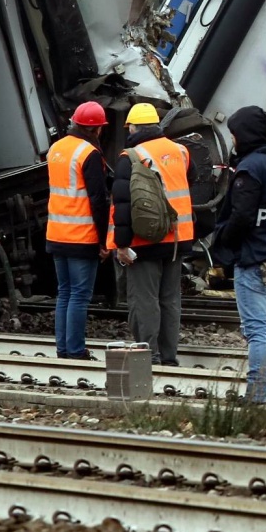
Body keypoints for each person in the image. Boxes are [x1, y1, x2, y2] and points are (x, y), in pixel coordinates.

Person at [213, 105, 266, 404]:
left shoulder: (250, 169)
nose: (233, 141)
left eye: (234, 135)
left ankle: (256, 394)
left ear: (245, 135)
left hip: (254, 262)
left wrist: (224, 243)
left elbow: (242, 216)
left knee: (257, 332)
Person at [109, 102, 195, 365]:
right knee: (170, 300)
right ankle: (169, 357)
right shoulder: (181, 151)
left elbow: (122, 207)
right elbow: (190, 183)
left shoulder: (132, 157)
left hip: (144, 240)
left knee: (144, 300)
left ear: (134, 127)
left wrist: (121, 245)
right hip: (179, 238)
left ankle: (149, 357)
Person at [46, 101, 110, 359]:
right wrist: (105, 240)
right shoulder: (89, 153)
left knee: (65, 293)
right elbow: (98, 199)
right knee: (80, 295)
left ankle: (63, 349)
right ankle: (75, 350)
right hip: (81, 236)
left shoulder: (56, 149)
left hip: (56, 233)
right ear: (96, 129)